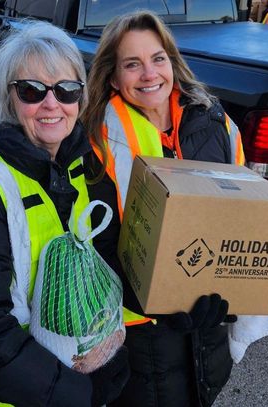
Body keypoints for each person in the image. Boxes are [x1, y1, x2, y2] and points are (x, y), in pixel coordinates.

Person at [0, 21, 129, 407]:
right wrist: (73, 393)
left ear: (80, 98)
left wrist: (176, 307)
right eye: (32, 90)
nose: (51, 103)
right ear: (9, 99)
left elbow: (107, 263)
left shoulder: (79, 166)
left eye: (66, 89)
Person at [82, 11, 244, 407]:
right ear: (113, 77)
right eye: (132, 64)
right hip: (141, 335)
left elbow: (245, 212)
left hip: (205, 327)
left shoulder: (214, 121)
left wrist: (236, 290)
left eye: (157, 58)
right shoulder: (97, 140)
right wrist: (156, 299)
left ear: (172, 62)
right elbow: (93, 243)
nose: (149, 73)